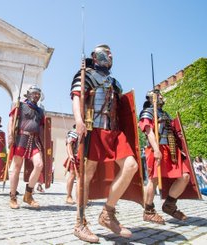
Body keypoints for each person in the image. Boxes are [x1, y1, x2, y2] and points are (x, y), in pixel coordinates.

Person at [70, 44, 139, 242]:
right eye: (104, 51)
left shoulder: (115, 83)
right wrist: (79, 121)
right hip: (94, 129)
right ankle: (80, 223)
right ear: (94, 55)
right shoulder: (86, 75)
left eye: (110, 52)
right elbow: (76, 97)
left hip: (115, 131)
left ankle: (107, 213)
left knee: (131, 166)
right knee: (87, 173)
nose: (109, 54)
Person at [139, 89, 190, 225]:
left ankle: (169, 205)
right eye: (158, 95)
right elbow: (148, 132)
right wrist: (156, 150)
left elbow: (173, 132)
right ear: (152, 98)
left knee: (185, 176)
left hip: (171, 149)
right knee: (154, 179)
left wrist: (180, 148)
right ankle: (148, 211)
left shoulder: (165, 114)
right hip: (156, 148)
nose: (162, 97)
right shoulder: (147, 112)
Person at [8, 85, 45, 209]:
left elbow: (42, 128)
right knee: (17, 167)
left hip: (34, 140)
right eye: (34, 93)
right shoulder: (21, 106)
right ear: (28, 94)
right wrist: (10, 136)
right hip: (21, 139)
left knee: (39, 165)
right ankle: (13, 197)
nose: (36, 95)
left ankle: (28, 195)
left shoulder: (40, 111)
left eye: (38, 94)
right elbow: (11, 120)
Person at [64, 126, 79, 205]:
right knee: (72, 175)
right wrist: (70, 155)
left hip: (84, 157)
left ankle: (80, 197)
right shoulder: (74, 131)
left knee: (83, 178)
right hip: (76, 156)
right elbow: (69, 144)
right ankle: (69, 196)